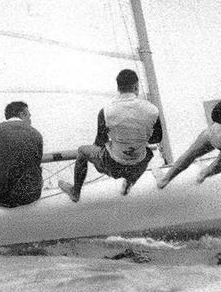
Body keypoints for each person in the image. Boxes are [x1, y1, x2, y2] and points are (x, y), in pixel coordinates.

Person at [59, 69, 163, 202]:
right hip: (138, 165)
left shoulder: (106, 111)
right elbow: (157, 138)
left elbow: (100, 142)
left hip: (114, 166)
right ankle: (129, 182)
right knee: (148, 153)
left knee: (82, 151)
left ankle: (75, 192)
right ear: (136, 86)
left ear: (118, 88)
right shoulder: (153, 110)